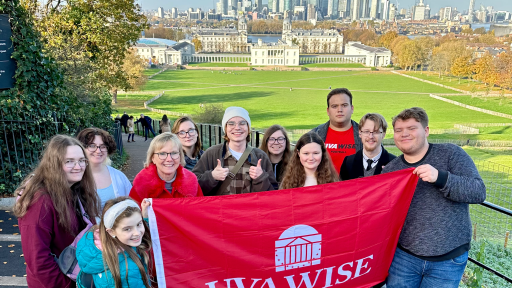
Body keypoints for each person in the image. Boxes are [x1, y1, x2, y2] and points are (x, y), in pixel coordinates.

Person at [383, 107, 486, 288]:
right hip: (403, 258)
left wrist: (441, 178)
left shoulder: (451, 154)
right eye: (398, 130)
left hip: (447, 261)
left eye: (412, 128)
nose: (404, 134)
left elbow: (478, 192)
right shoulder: (392, 169)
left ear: (426, 130)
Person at [14, 135, 100, 288]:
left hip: (74, 276)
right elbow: (38, 260)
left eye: (81, 160)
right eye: (69, 161)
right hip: (56, 283)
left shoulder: (74, 190)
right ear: (54, 164)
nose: (78, 166)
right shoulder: (40, 201)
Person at [193, 107, 277, 195]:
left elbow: (273, 195)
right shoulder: (212, 154)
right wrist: (212, 176)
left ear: (248, 128)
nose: (237, 127)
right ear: (225, 129)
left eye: (242, 123)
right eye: (231, 123)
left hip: (250, 208)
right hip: (220, 209)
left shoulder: (260, 156)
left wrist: (261, 178)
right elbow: (193, 187)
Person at [76, 197, 153, 288]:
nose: (137, 233)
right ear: (111, 231)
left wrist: (145, 217)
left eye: (139, 224)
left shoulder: (97, 242)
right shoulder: (129, 270)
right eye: (127, 229)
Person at [130, 132, 203, 203]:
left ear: (180, 156)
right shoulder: (141, 185)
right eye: (162, 154)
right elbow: (132, 213)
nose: (169, 159)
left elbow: (200, 211)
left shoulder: (191, 181)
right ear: (153, 158)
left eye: (174, 153)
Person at [77, 128, 132, 212]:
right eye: (92, 145)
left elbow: (131, 206)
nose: (98, 151)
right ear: (82, 148)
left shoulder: (119, 177)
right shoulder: (75, 178)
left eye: (103, 146)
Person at [311, 88, 362, 174]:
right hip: (323, 186)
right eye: (334, 106)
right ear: (328, 111)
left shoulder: (366, 135)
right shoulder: (314, 135)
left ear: (352, 108)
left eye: (344, 105)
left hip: (355, 186)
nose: (340, 110)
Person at [339, 113, 396, 180]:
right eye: (366, 131)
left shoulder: (394, 164)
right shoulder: (348, 162)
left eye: (376, 132)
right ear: (360, 133)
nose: (371, 136)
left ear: (383, 134)